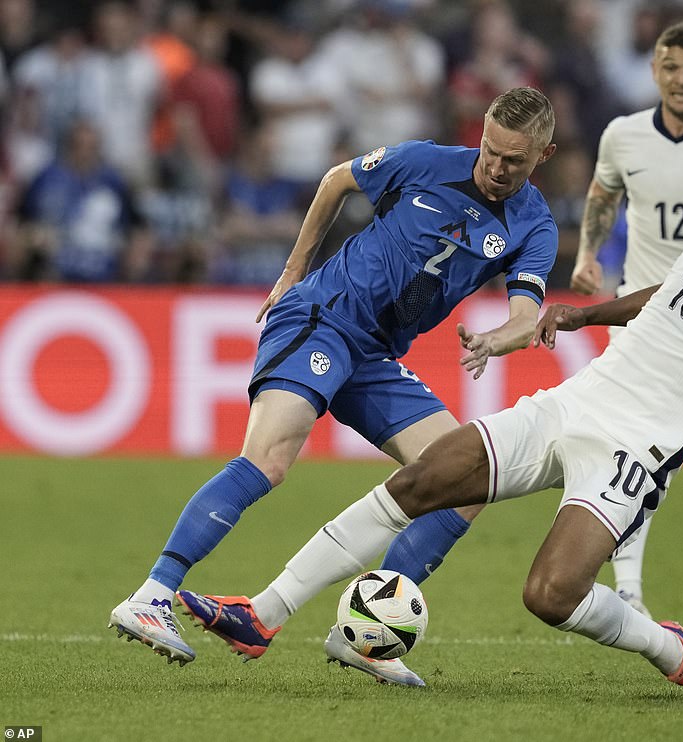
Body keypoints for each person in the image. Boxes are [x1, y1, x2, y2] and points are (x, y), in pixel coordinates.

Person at [176, 142, 683, 699]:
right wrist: (586, 314)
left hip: (632, 450)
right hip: (577, 400)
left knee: (550, 595)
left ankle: (672, 650)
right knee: (424, 479)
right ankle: (262, 616)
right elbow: (673, 295)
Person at [108, 87, 559, 683]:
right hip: (324, 316)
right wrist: (295, 270)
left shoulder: (535, 223)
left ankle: (364, 638)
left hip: (375, 354)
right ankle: (152, 595)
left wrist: (502, 336)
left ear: (544, 156)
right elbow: (336, 180)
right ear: (481, 131)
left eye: (515, 161)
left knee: (467, 480)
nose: (497, 169)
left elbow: (528, 314)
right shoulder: (426, 161)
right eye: (491, 151)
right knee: (268, 458)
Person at [381, 21, 683, 618]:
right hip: (639, 318)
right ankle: (631, 593)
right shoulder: (623, 135)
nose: (682, 80)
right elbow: (601, 196)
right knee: (637, 449)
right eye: (671, 67)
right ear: (655, 72)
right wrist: (588, 256)